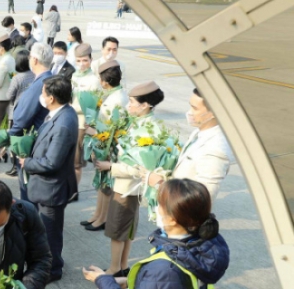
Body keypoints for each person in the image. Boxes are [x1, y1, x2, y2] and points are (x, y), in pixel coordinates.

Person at [84, 179, 230, 289]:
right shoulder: (205, 244)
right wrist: (130, 281)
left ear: (173, 220)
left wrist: (103, 280)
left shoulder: (163, 270)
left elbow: (161, 280)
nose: (156, 209)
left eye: (159, 205)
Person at [94, 81, 165, 276]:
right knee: (126, 228)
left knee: (117, 229)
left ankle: (115, 268)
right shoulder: (140, 122)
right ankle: (122, 265)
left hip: (127, 186)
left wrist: (111, 167)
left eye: (132, 102)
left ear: (145, 105)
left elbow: (140, 167)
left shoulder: (149, 129)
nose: (128, 105)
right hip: (128, 186)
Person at [21, 76, 78, 283]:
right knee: (46, 230)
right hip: (46, 187)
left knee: (50, 232)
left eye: (43, 93)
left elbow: (51, 163)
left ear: (51, 98)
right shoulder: (60, 113)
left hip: (51, 189)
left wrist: (26, 163)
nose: (41, 97)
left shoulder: (63, 123)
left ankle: (53, 270)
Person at [142, 88, 233, 202]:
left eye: (195, 108)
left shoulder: (215, 150)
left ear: (213, 113)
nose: (190, 112)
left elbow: (202, 200)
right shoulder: (200, 132)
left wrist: (160, 184)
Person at [82, 61, 128, 231]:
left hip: (109, 147)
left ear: (104, 81)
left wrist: (91, 131)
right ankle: (97, 214)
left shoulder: (115, 100)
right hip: (105, 145)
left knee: (106, 184)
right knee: (101, 183)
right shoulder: (118, 95)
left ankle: (103, 218)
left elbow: (109, 130)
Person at [9, 43, 53, 200]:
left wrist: (8, 138)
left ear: (34, 60)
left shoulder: (40, 85)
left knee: (28, 192)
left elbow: (21, 120)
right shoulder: (50, 78)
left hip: (32, 145)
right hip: (44, 142)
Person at [70, 44, 103, 202]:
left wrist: (71, 107)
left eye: (85, 60)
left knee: (76, 161)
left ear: (91, 59)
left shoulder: (94, 80)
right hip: (70, 122)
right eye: (78, 60)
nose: (82, 64)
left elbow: (91, 107)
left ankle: (74, 191)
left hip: (82, 125)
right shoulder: (75, 76)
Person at [5, 50, 35, 177]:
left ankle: (15, 166)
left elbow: (9, 95)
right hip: (32, 113)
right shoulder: (34, 75)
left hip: (16, 113)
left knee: (15, 142)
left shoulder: (17, 78)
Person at [0, 35, 15, 163]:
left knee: (2, 127)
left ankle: (2, 153)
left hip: (2, 98)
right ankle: (3, 153)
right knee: (6, 126)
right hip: (9, 96)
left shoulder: (4, 62)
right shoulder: (11, 58)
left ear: (2, 48)